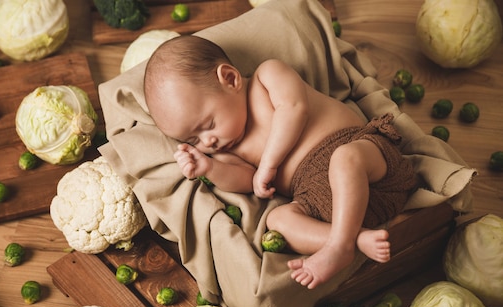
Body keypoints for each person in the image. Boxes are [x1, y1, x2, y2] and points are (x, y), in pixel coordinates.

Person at [143, 35, 417, 290]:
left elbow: (295, 108)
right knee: (277, 218)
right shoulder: (226, 150)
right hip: (321, 200)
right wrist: (209, 168)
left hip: (364, 157)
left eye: (208, 125)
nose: (209, 141)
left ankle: (340, 246)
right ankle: (352, 239)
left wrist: (269, 164)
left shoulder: (267, 77)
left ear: (230, 78)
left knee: (344, 160)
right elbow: (246, 181)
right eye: (194, 139)